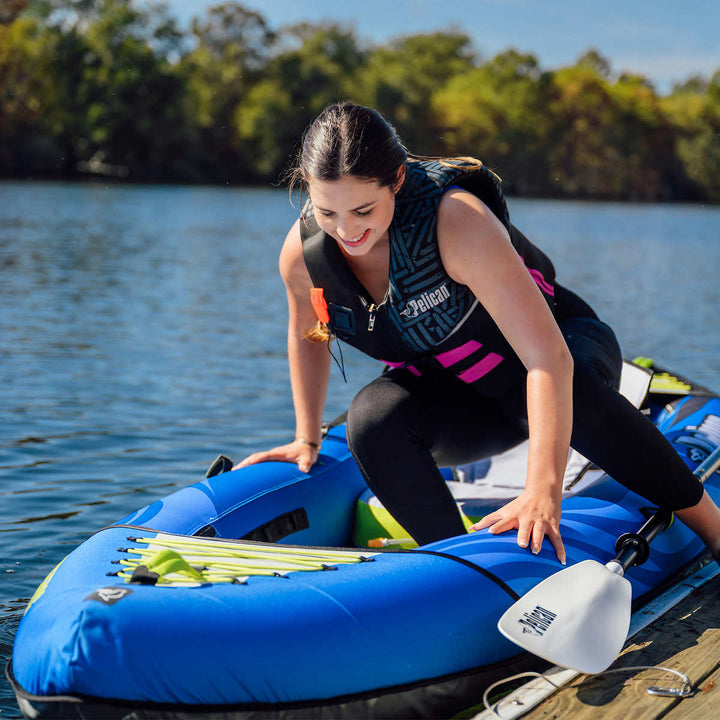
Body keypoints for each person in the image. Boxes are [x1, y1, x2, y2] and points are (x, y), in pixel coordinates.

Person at [237, 101, 720, 565]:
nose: (347, 231)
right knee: (371, 421)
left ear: (398, 179)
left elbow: (548, 359)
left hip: (561, 362)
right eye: (327, 213)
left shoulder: (457, 222)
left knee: (575, 386)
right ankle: (459, 563)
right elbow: (308, 335)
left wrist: (541, 491)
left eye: (363, 210)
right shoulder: (302, 258)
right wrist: (306, 437)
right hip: (464, 399)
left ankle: (712, 527)